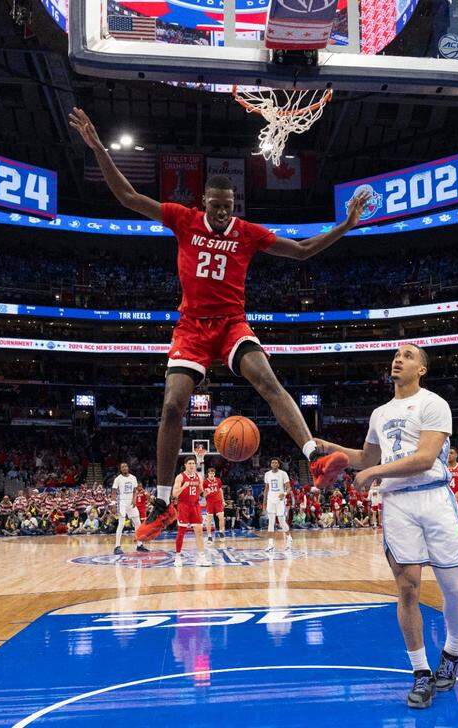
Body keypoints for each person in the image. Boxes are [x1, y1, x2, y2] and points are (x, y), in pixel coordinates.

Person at [69, 107, 365, 527]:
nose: (223, 210)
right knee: (172, 406)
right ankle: (160, 499)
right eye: (216, 204)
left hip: (230, 324)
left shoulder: (248, 233)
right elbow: (130, 198)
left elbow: (300, 250)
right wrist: (99, 147)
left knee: (267, 380)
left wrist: (345, 226)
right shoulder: (183, 219)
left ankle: (313, 457)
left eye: (228, 205)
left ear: (234, 204)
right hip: (191, 327)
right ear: (204, 201)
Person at [314, 344, 458, 710]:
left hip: (434, 498)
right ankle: (420, 673)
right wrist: (325, 446)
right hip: (398, 504)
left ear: (422, 369)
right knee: (408, 588)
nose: (399, 359)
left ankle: (453, 651)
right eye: (397, 355)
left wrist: (375, 472)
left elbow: (425, 458)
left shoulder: (434, 404)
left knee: (451, 586)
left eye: (409, 355)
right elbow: (365, 458)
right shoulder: (380, 413)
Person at [172, 457, 210, 568]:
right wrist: (184, 486)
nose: (192, 465)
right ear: (185, 465)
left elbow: (202, 492)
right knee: (181, 532)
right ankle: (178, 557)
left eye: (193, 463)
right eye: (189, 463)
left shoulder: (199, 477)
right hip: (183, 505)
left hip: (195, 506)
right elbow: (174, 494)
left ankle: (201, 558)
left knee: (199, 532)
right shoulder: (180, 477)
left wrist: (205, 492)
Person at [111, 463, 145, 555]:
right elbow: (113, 492)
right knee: (121, 524)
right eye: (122, 467)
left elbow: (135, 490)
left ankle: (139, 545)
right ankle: (117, 547)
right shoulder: (118, 479)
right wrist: (113, 504)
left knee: (138, 523)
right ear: (120, 469)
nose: (124, 468)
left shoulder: (133, 477)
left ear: (128, 468)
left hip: (131, 503)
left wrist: (134, 500)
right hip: (122, 502)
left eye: (126, 466)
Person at [263, 458, 292, 552]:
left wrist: (284, 493)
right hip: (270, 500)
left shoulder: (283, 473)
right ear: (271, 464)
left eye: (276, 462)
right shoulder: (267, 474)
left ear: (278, 464)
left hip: (280, 500)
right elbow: (266, 489)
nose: (274, 463)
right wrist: (264, 503)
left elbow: (289, 488)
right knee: (271, 522)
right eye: (272, 462)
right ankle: (270, 544)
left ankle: (289, 537)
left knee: (281, 521)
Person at [203, 467, 226, 544]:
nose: (212, 474)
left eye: (213, 473)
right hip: (210, 502)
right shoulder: (205, 482)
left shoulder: (218, 480)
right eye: (210, 473)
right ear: (208, 474)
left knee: (221, 517)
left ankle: (221, 532)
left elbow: (220, 490)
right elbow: (203, 495)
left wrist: (223, 500)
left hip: (218, 501)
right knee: (209, 519)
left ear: (214, 474)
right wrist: (206, 493)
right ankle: (209, 536)